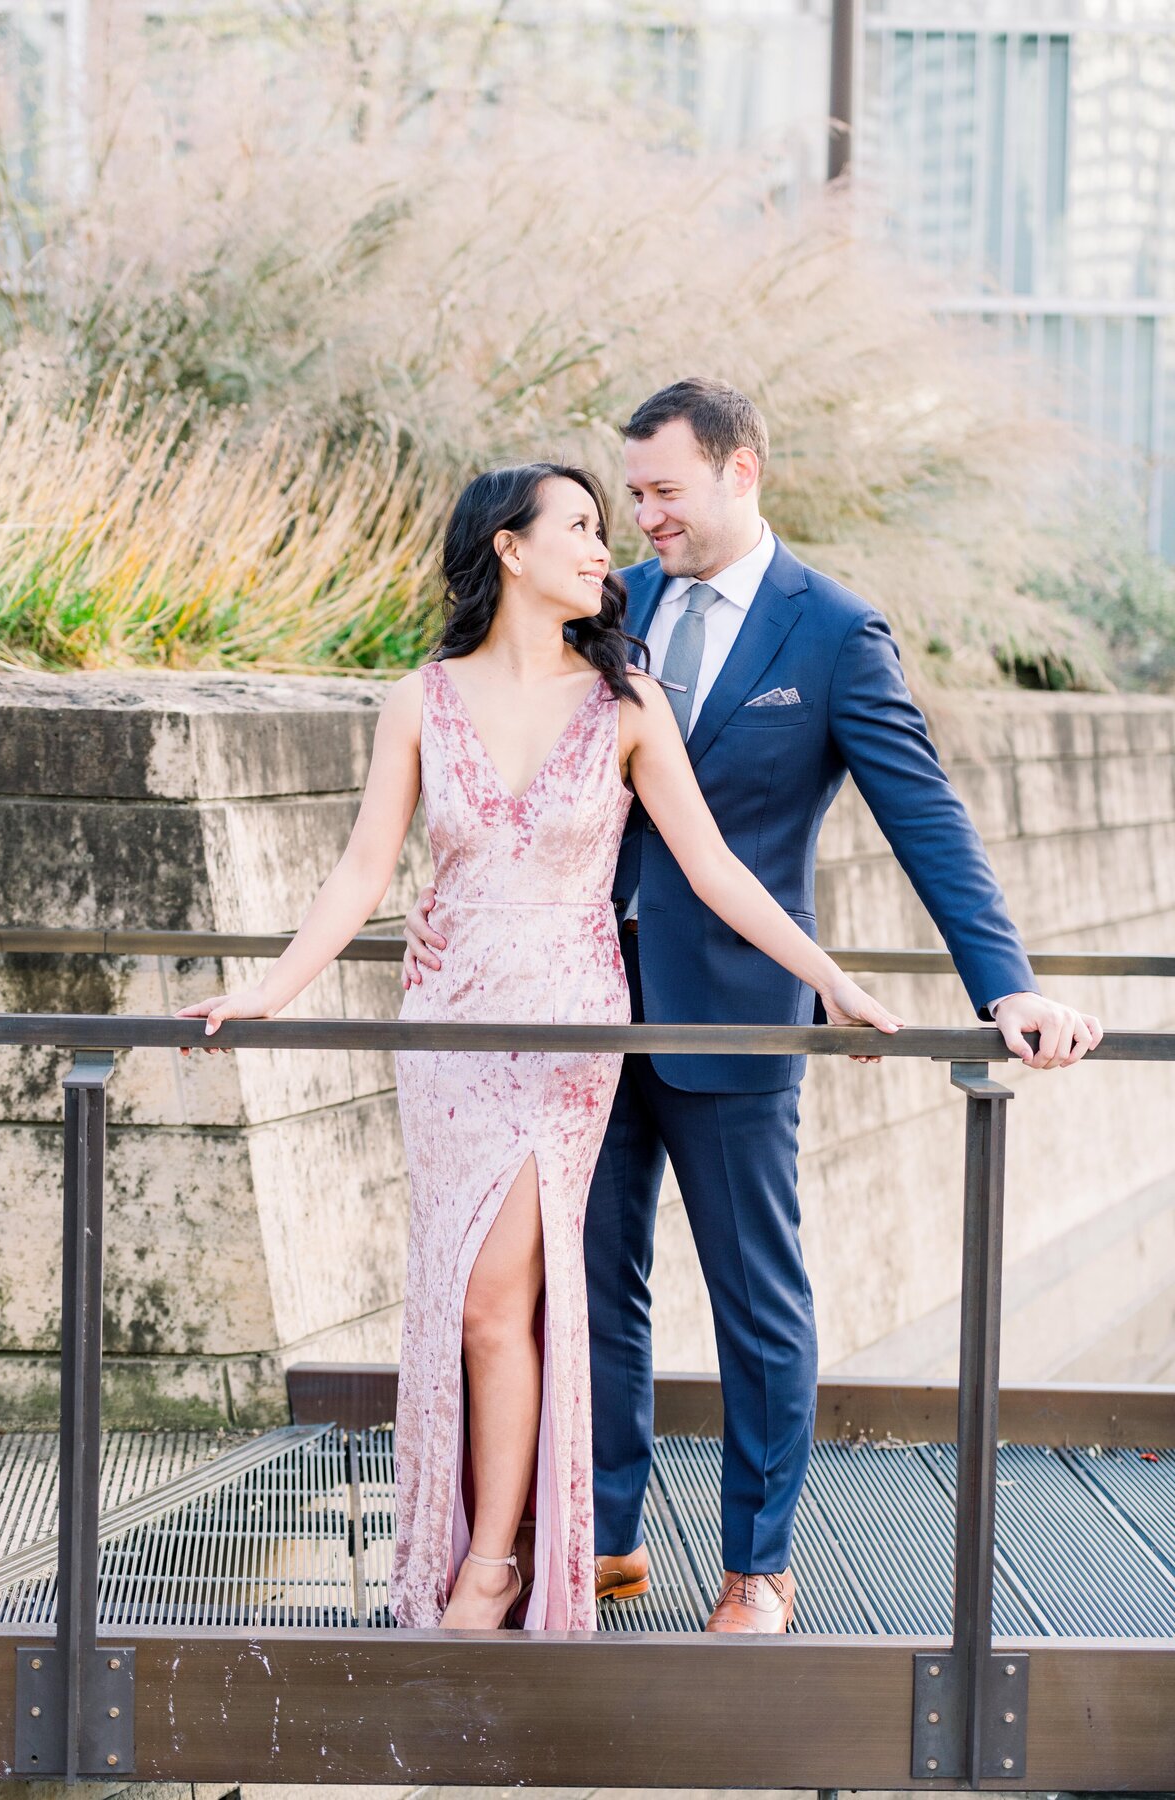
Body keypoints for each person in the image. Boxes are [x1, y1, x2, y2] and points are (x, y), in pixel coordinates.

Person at [402, 380, 1104, 1634]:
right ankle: (602, 1538)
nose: (643, 520)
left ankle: (757, 1568)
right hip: (583, 1024)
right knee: (589, 1291)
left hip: (735, 1017)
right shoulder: (615, 607)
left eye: (666, 492)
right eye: (633, 498)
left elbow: (925, 817)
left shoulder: (833, 632)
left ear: (744, 472)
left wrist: (1008, 983)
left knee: (754, 1297)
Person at [176, 460, 900, 1632]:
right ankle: (487, 1548)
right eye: (578, 525)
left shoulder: (626, 704)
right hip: (449, 1023)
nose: (601, 548)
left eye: (602, 528)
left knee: (494, 1302)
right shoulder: (421, 697)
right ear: (507, 550)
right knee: (465, 1298)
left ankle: (493, 1567)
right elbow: (366, 871)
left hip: (564, 1031)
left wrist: (832, 984)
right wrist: (268, 989)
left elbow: (714, 869)